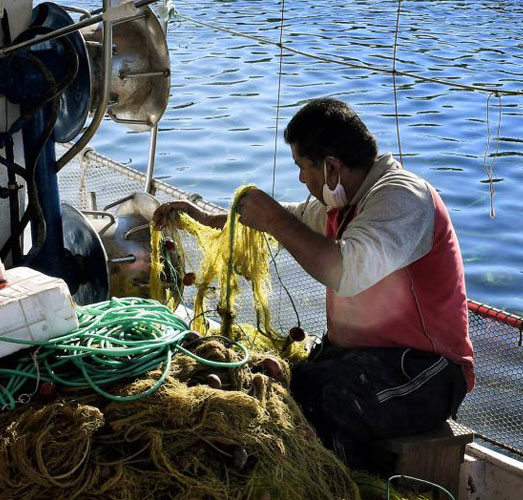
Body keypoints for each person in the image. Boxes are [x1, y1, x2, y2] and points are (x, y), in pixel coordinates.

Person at [153, 97, 474, 468]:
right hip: (354, 359)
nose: (301, 179)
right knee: (274, 387)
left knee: (331, 407)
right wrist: (206, 219)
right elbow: (290, 220)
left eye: (302, 168)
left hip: (427, 372)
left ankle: (342, 485)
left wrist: (273, 218)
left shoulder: (402, 197)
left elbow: (343, 272)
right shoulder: (339, 199)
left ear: (332, 166)